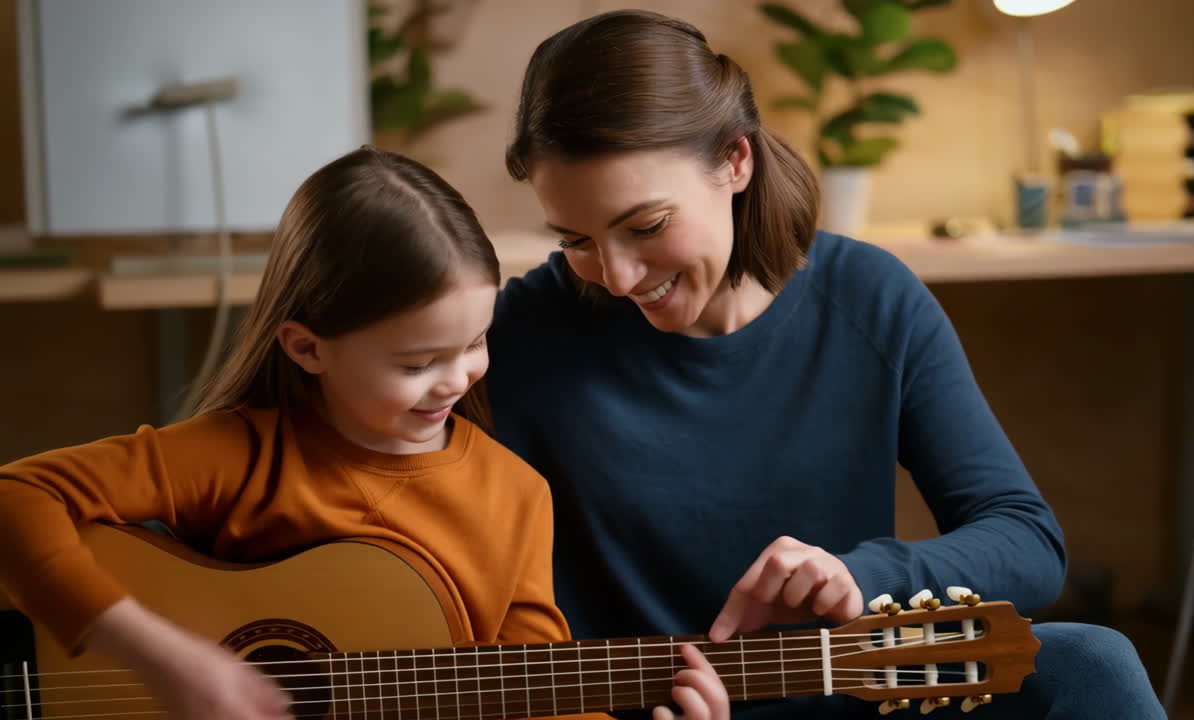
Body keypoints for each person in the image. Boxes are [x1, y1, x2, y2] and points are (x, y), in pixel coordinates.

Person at [487, 9, 1166, 719]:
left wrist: (858, 574)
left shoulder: (868, 297)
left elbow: (1025, 538)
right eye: (576, 240)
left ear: (735, 161)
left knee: (1091, 661)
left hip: (848, 693)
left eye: (646, 226)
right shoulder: (524, 332)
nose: (618, 277)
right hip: (644, 707)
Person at [0, 146, 726, 720]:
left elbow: (536, 697)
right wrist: (158, 658)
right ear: (307, 347)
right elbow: (16, 500)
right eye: (417, 362)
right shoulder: (244, 454)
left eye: (474, 343)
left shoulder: (515, 496)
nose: (456, 380)